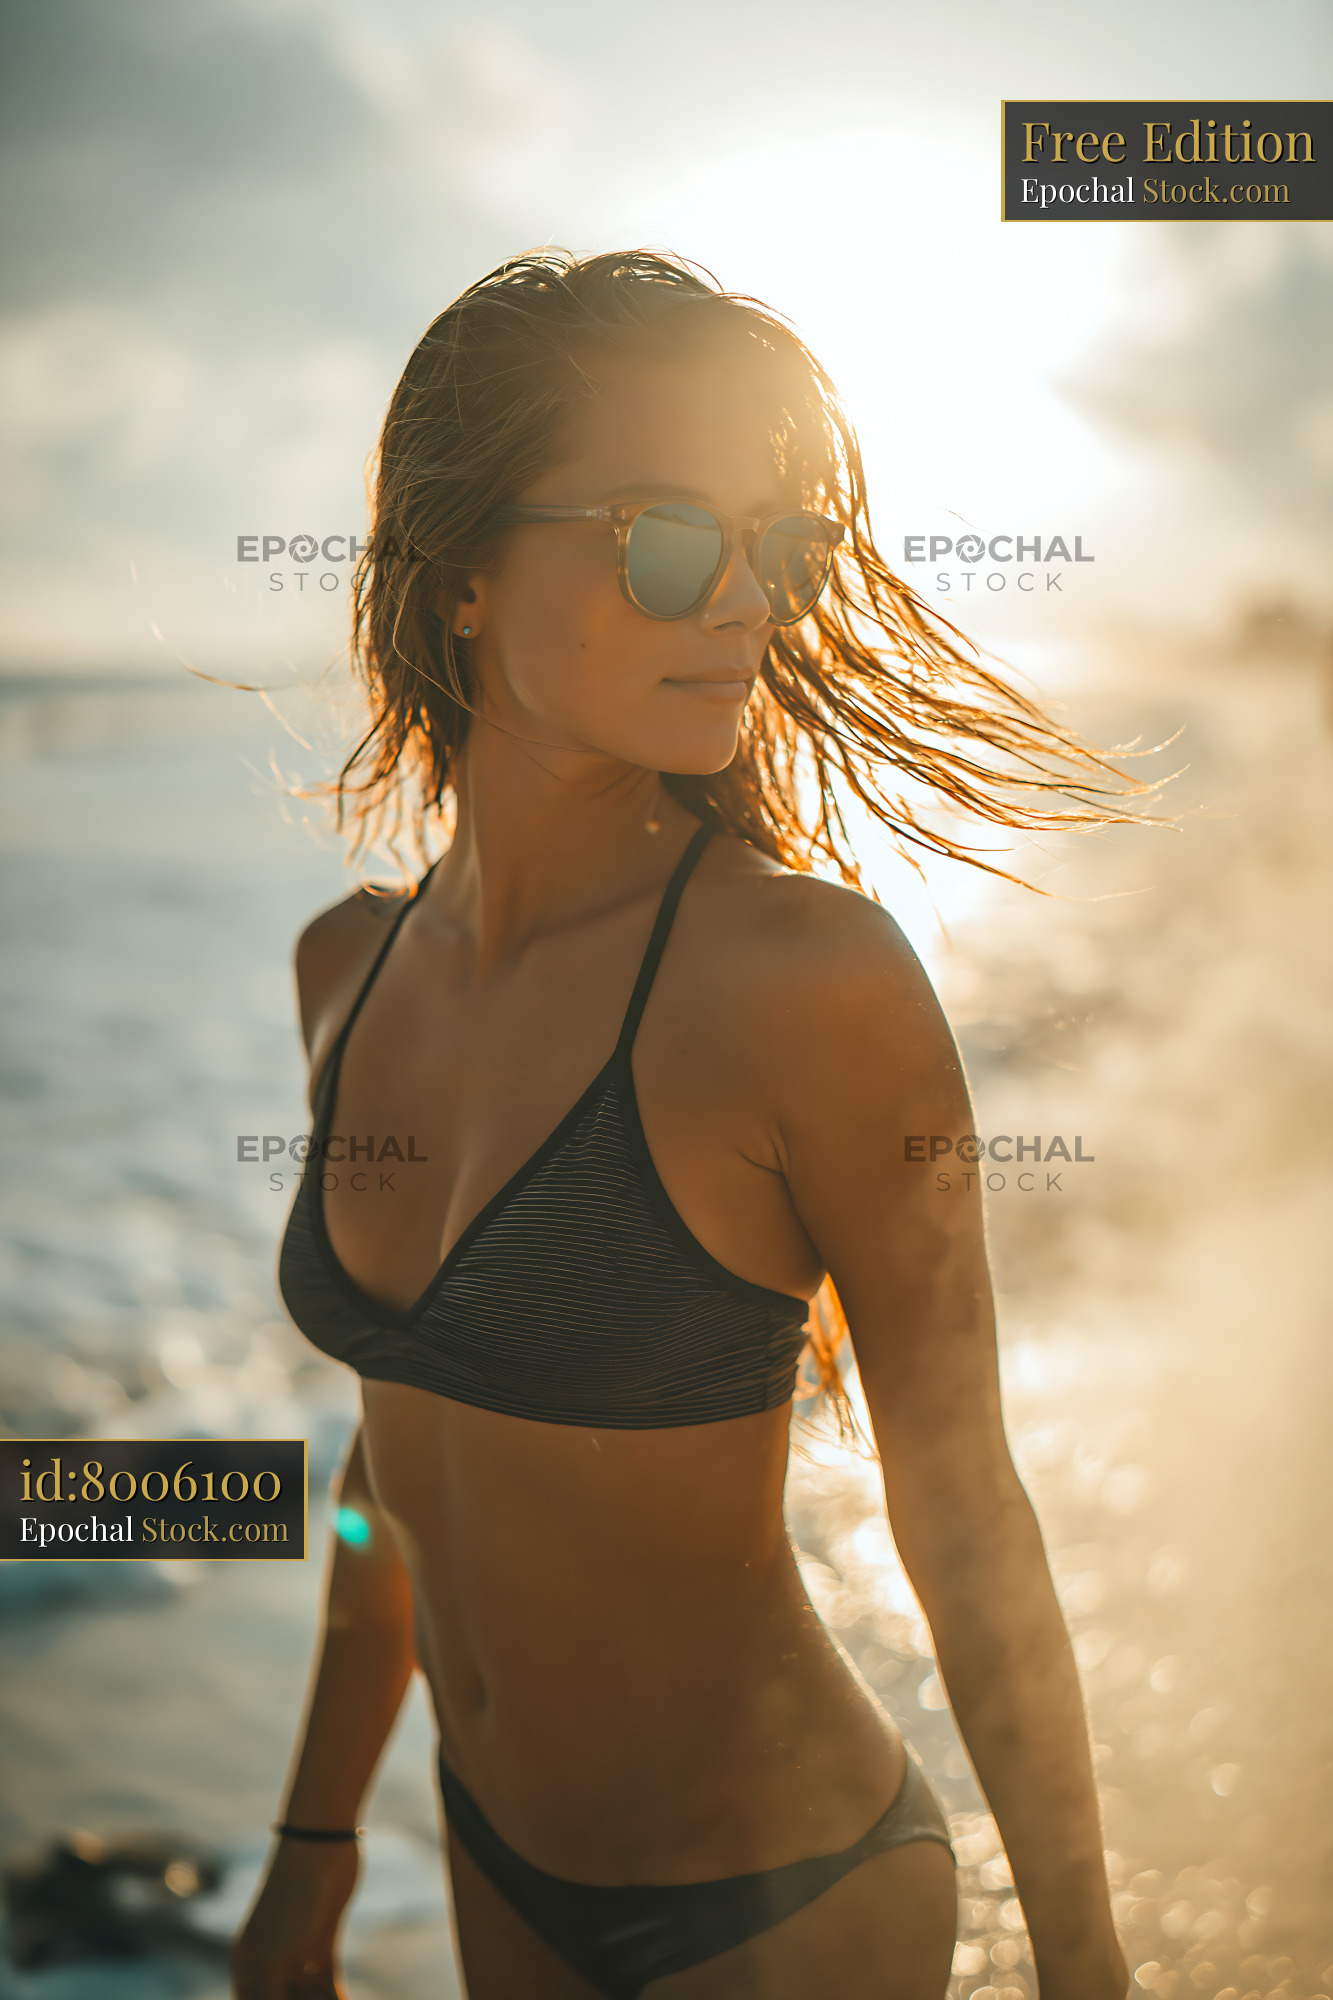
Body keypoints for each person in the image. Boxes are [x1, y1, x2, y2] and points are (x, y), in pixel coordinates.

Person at [231, 250, 1133, 2000]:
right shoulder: (345, 971)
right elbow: (389, 1472)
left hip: (784, 1901)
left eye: (771, 550)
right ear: (467, 574)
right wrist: (313, 1853)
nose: (742, 604)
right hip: (486, 1858)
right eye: (665, 539)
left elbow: (961, 1502)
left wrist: (1085, 1964)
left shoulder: (808, 982)